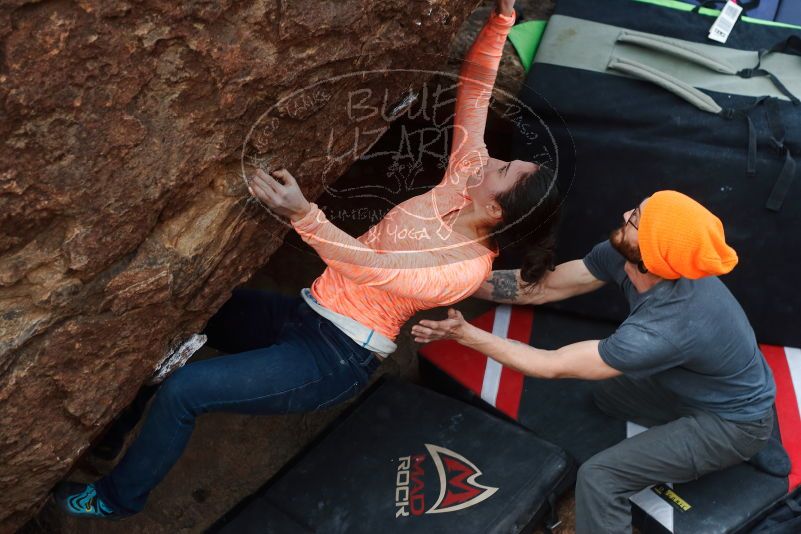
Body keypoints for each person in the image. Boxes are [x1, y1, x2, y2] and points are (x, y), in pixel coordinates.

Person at [53, 0, 561, 519]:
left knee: (188, 391)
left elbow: (370, 267)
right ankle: (113, 435)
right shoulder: (467, 175)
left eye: (504, 169)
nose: (493, 158)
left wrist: (304, 214)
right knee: (191, 314)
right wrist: (501, 21)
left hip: (333, 357)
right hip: (305, 313)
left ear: (495, 208)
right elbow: (476, 87)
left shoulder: (463, 267)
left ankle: (118, 499)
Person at [412, 190, 782, 534]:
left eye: (635, 219)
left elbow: (551, 365)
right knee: (607, 394)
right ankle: (732, 423)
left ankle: (752, 440)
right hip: (700, 385)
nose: (625, 214)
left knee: (599, 479)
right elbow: (548, 285)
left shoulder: (666, 327)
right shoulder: (628, 256)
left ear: (652, 252)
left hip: (733, 422)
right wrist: (455, 279)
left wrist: (465, 334)